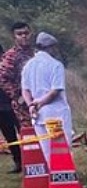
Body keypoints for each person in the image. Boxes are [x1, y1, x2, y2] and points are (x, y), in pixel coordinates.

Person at [21, 32, 73, 164]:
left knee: (47, 150)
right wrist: (41, 102)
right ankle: (66, 180)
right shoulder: (56, 65)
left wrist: (31, 105)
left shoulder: (28, 66)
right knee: (63, 149)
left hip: (38, 115)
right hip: (56, 113)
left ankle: (53, 178)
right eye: (54, 47)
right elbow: (55, 90)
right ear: (50, 47)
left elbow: (25, 90)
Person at [0, 22, 35, 173]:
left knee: (31, 132)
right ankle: (19, 161)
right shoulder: (10, 56)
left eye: (26, 33)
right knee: (11, 133)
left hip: (35, 101)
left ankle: (34, 161)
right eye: (19, 34)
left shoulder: (36, 54)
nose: (23, 37)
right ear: (14, 36)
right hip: (13, 102)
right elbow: (3, 78)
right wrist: (17, 95)